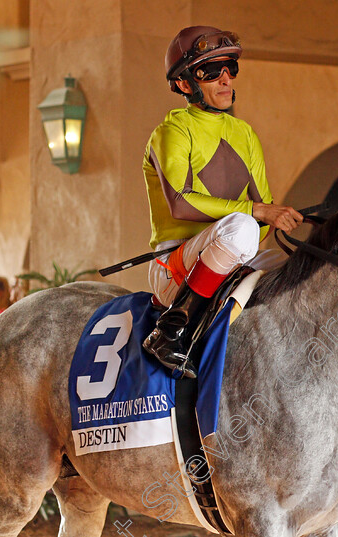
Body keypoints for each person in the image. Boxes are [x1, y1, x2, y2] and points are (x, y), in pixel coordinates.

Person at [141, 25, 303, 378]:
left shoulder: (245, 134)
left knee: (298, 268)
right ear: (185, 84)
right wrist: (256, 213)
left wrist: (271, 217)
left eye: (230, 68)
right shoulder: (172, 131)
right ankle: (169, 331)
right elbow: (180, 204)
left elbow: (263, 219)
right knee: (243, 226)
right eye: (210, 72)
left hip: (231, 252)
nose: (225, 79)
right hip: (175, 266)